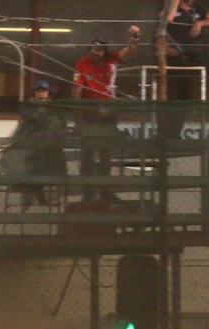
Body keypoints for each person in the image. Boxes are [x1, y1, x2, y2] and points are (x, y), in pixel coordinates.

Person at [72, 29, 140, 201]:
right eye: (94, 49)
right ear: (89, 49)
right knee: (87, 152)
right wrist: (78, 115)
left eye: (100, 50)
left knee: (105, 153)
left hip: (108, 112)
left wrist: (134, 38)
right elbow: (77, 89)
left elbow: (130, 50)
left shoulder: (111, 59)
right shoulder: (82, 63)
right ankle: (87, 192)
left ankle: (103, 190)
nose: (96, 53)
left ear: (105, 51)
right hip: (89, 112)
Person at [17, 79, 67, 208]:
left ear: (48, 93)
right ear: (34, 93)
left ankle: (50, 195)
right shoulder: (28, 108)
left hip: (51, 146)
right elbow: (26, 125)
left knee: (56, 164)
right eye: (38, 91)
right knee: (35, 166)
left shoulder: (54, 108)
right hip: (33, 147)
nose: (41, 94)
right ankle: (37, 195)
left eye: (43, 91)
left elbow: (61, 125)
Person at [165, 0, 209, 101]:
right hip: (174, 54)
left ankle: (185, 113)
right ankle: (170, 114)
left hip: (192, 55)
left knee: (188, 87)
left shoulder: (198, 8)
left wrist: (200, 23)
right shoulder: (172, 7)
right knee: (172, 87)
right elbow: (168, 19)